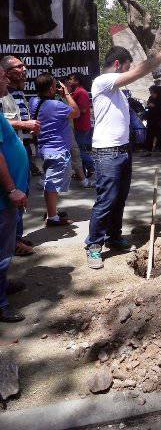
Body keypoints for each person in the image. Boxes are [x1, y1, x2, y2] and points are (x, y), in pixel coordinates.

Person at [86, 38, 161, 269]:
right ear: (117, 64)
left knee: (119, 198)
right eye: (127, 66)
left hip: (122, 150)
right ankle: (94, 246)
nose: (129, 72)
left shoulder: (113, 88)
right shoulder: (103, 81)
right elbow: (138, 71)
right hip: (107, 151)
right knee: (106, 199)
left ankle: (113, 236)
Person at [0, 56, 41, 255]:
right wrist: (24, 124)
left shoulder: (17, 92)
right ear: (6, 73)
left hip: (21, 149)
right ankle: (12, 242)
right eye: (19, 66)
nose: (24, 69)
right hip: (7, 154)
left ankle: (15, 237)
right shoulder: (2, 95)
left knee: (23, 193)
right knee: (13, 193)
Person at [29, 73, 80, 225]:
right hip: (57, 151)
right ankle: (52, 217)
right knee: (52, 184)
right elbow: (76, 112)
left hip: (45, 148)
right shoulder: (56, 105)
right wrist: (66, 93)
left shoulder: (34, 101)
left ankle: (52, 212)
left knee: (52, 182)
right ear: (52, 88)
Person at [0, 65, 29, 323]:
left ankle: (2, 284)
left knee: (5, 247)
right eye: (1, 76)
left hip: (6, 196)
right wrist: (11, 188)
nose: (5, 80)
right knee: (0, 249)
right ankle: (0, 303)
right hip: (3, 195)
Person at [67, 73, 95, 179]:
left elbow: (82, 109)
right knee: (78, 149)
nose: (69, 81)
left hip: (81, 125)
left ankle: (92, 167)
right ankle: (82, 172)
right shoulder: (76, 92)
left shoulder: (81, 92)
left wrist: (71, 108)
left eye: (71, 79)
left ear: (77, 81)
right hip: (77, 125)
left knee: (79, 151)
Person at [144, 86, 161, 155]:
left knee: (160, 135)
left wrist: (154, 106)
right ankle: (148, 150)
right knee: (149, 135)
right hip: (151, 119)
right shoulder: (151, 98)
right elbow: (148, 104)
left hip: (158, 120)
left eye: (152, 93)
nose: (151, 94)